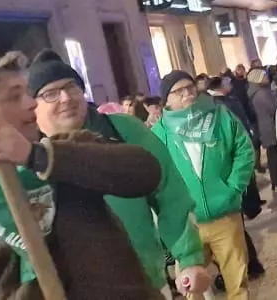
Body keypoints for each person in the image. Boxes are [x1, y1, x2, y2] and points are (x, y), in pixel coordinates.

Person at [0, 53, 166, 300]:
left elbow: (145, 172)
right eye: (14, 97)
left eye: (28, 93)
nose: (31, 103)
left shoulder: (68, 150)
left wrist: (36, 156)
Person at [29, 53, 208, 294]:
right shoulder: (28, 158)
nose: (66, 98)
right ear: (33, 107)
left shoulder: (121, 130)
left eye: (72, 87)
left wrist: (188, 257)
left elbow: (169, 192)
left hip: (144, 281)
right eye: (50, 93)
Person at [153, 70, 256, 300]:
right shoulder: (159, 133)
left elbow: (243, 150)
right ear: (166, 100)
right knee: (191, 287)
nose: (187, 94)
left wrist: (233, 188)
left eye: (190, 88)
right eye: (178, 91)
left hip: (224, 214)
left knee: (237, 281)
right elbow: (155, 176)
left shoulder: (219, 116)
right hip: (187, 224)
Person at [248, 68, 277, 192]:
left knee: (274, 154)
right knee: (274, 155)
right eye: (264, 75)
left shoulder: (257, 92)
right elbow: (273, 108)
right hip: (270, 127)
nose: (267, 77)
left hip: (266, 126)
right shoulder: (261, 93)